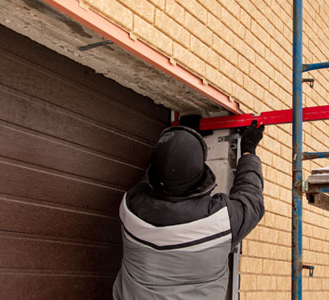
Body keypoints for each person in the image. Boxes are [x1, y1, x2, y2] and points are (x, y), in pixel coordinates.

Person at [112, 119, 266, 300]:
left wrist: (181, 145)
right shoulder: (221, 223)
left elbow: (153, 178)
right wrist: (248, 149)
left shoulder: (130, 207)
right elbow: (251, 197)